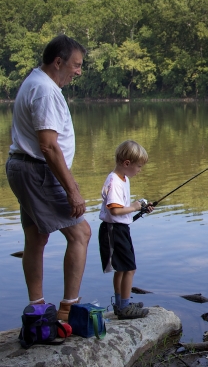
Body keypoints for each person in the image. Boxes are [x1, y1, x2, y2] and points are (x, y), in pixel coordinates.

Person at [6, 35, 91, 321]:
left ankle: (38, 308)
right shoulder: (45, 90)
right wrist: (72, 190)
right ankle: (69, 310)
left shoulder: (34, 81)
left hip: (23, 167)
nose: (78, 71)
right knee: (81, 233)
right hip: (37, 170)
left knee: (36, 237)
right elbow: (49, 145)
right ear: (58, 62)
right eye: (76, 65)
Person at [98, 140, 154, 319]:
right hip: (114, 230)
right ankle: (124, 307)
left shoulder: (123, 178)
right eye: (138, 166)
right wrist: (136, 207)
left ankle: (122, 303)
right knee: (129, 268)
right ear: (127, 163)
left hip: (119, 229)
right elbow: (114, 210)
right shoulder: (114, 181)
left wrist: (141, 207)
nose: (140, 170)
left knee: (122, 268)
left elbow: (121, 207)